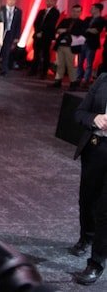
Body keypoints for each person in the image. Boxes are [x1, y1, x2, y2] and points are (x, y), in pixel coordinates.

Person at [72, 73, 107, 285]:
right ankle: (87, 237)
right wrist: (95, 118)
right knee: (87, 200)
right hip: (95, 148)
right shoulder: (103, 79)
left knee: (105, 210)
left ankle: (96, 263)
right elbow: (79, 113)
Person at [48, 4, 85, 90]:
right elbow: (58, 29)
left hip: (71, 46)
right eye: (74, 11)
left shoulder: (81, 23)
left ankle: (73, 82)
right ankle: (58, 80)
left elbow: (80, 32)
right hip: (61, 45)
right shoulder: (65, 20)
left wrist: (66, 30)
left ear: (80, 13)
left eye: (77, 12)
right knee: (60, 64)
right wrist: (62, 31)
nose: (75, 13)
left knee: (70, 65)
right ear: (71, 12)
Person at [29, 0, 60, 79]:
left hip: (46, 36)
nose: (48, 2)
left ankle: (44, 72)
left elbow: (50, 24)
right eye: (47, 1)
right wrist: (38, 32)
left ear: (54, 2)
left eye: (50, 1)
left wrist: (42, 32)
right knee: (36, 53)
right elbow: (36, 22)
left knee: (45, 54)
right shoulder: (41, 11)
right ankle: (33, 70)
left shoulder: (55, 12)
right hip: (37, 36)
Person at [78, 3, 106, 87]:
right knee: (80, 62)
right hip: (83, 42)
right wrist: (89, 30)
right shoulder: (87, 18)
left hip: (91, 44)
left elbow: (96, 31)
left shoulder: (102, 20)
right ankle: (77, 78)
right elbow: (82, 28)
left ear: (97, 9)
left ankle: (86, 80)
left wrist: (87, 30)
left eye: (92, 8)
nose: (90, 10)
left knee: (89, 63)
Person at [0, 0, 23, 76]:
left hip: (10, 33)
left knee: (7, 51)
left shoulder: (18, 11)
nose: (11, 1)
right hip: (1, 32)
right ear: (7, 0)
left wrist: (17, 37)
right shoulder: (1, 9)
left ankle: (4, 69)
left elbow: (18, 25)